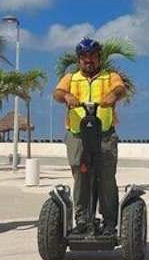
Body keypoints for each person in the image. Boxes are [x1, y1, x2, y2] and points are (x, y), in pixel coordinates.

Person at [53, 38, 126, 235]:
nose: (89, 60)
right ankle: (82, 220)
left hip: (104, 135)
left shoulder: (110, 77)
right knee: (81, 176)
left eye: (93, 56)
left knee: (107, 177)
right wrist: (68, 97)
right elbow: (57, 92)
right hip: (78, 135)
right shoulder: (71, 78)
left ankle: (110, 222)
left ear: (99, 58)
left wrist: (112, 96)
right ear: (78, 60)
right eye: (84, 57)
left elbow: (120, 89)